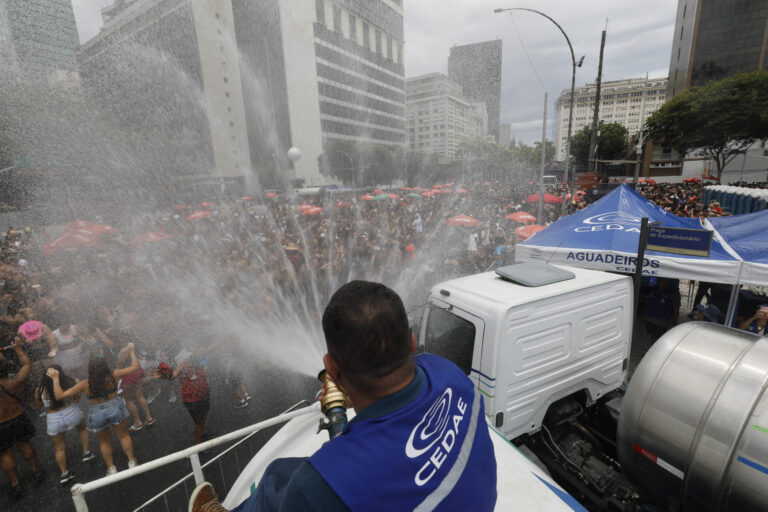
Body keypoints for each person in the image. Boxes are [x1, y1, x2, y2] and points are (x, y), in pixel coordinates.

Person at [189, 280, 497, 512]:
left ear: (331, 369)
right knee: (283, 473)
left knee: (277, 481)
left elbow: (334, 483)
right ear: (413, 343)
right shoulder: (449, 373)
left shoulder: (317, 486)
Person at [47, 343, 139, 475]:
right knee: (123, 436)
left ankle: (111, 468)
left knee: (104, 441)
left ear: (90, 370)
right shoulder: (113, 375)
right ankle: (132, 462)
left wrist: (55, 379)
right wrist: (131, 351)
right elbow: (134, 367)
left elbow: (59, 395)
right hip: (114, 407)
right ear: (105, 368)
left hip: (97, 413)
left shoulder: (85, 384)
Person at [34, 364, 95, 484]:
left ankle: (64, 473)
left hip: (53, 418)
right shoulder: (67, 383)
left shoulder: (39, 389)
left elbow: (38, 406)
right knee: (82, 428)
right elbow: (76, 400)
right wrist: (77, 386)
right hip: (70, 412)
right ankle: (87, 452)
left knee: (59, 448)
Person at [0, 337, 44, 501]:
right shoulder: (14, 382)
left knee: (5, 455)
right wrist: (18, 349)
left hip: (1, 425)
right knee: (25, 444)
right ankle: (36, 471)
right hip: (17, 417)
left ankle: (15, 483)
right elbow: (26, 365)